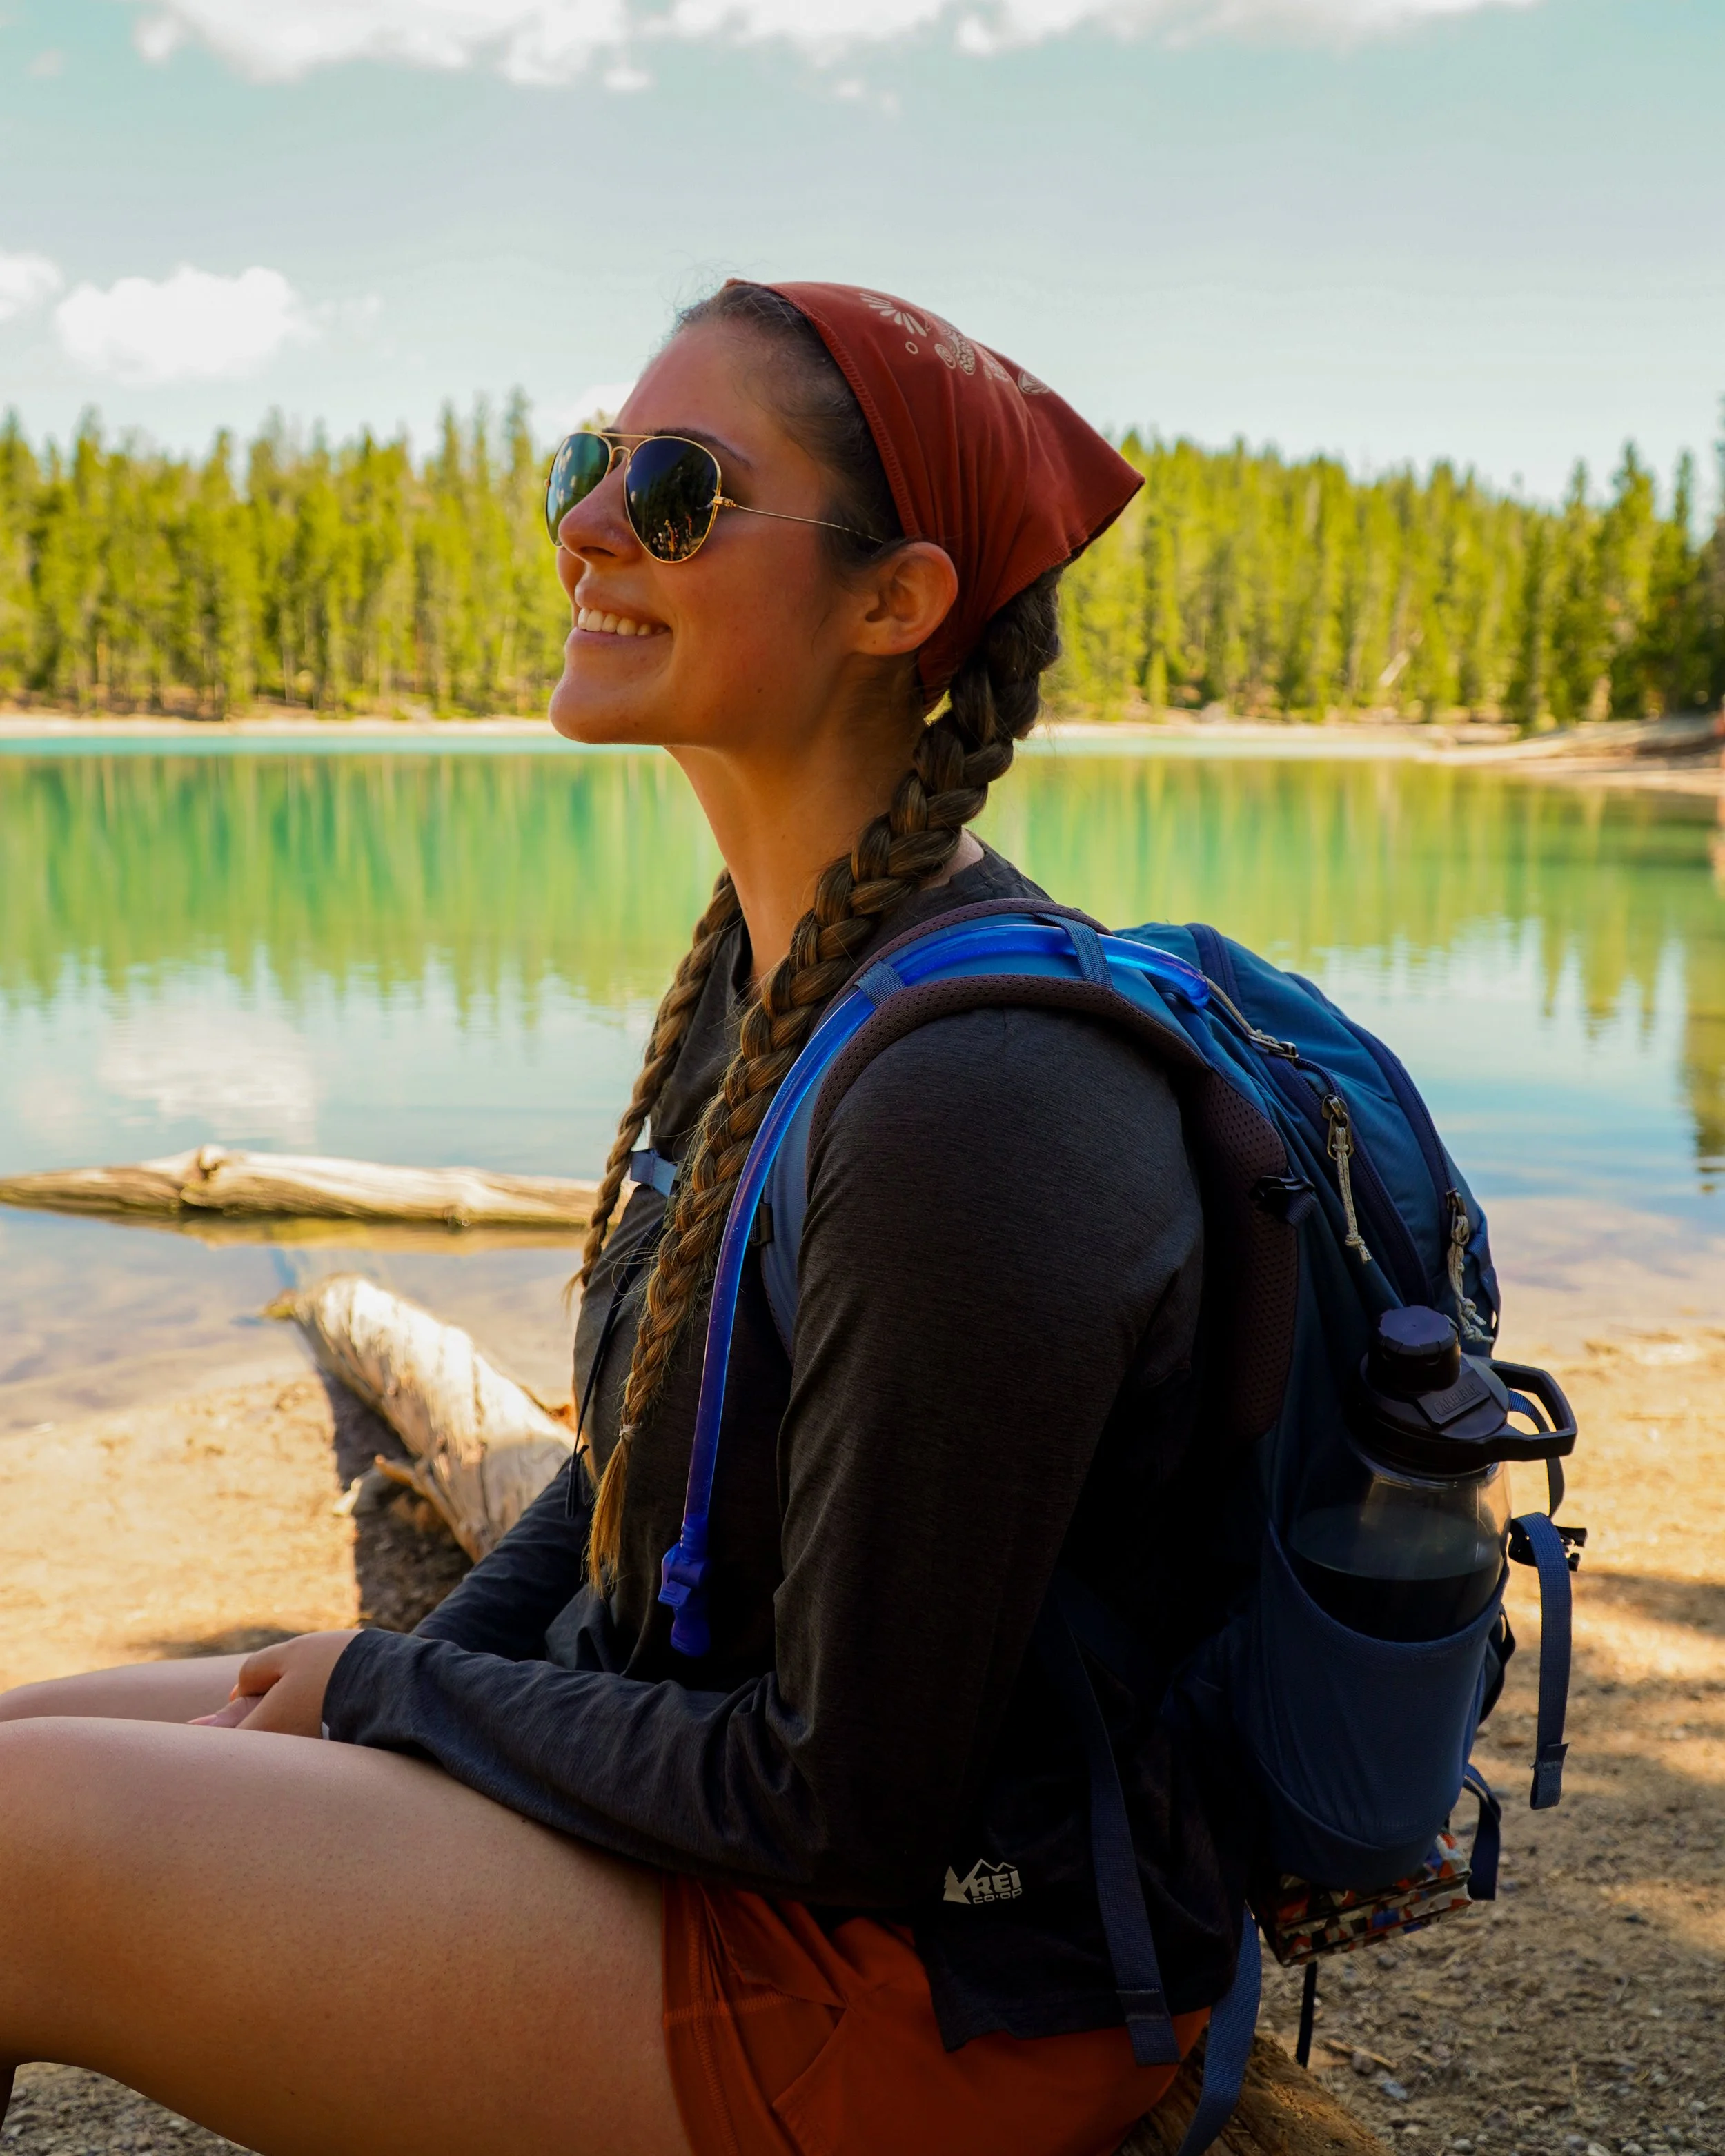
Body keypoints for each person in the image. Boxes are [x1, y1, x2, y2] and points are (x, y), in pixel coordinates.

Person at [0, 282, 1251, 2156]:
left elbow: (849, 1801)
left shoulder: (976, 1100)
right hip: (717, 1833)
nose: (584, 524)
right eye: (589, 463)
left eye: (674, 491)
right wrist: (420, 1692)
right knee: (19, 1744)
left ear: (896, 602)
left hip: (923, 1987)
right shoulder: (781, 974)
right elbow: (631, 1478)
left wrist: (397, 1691)